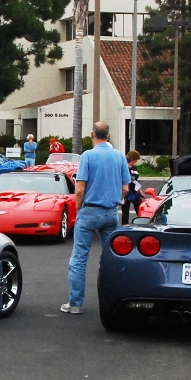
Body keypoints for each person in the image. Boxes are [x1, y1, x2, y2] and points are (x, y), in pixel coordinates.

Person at [62, 122, 130, 315]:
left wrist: (78, 208)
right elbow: (126, 187)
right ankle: (113, 301)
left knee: (79, 258)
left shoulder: (88, 156)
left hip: (89, 211)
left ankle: (75, 303)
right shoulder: (119, 156)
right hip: (110, 212)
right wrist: (120, 201)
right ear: (108, 135)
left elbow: (80, 188)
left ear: (92, 134)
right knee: (110, 258)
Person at [122, 150, 142, 225]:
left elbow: (135, 180)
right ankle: (125, 226)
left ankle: (141, 223)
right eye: (135, 160)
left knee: (139, 208)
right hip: (126, 190)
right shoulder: (124, 167)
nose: (136, 161)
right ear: (132, 158)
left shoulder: (134, 168)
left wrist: (139, 189)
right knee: (125, 211)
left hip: (134, 191)